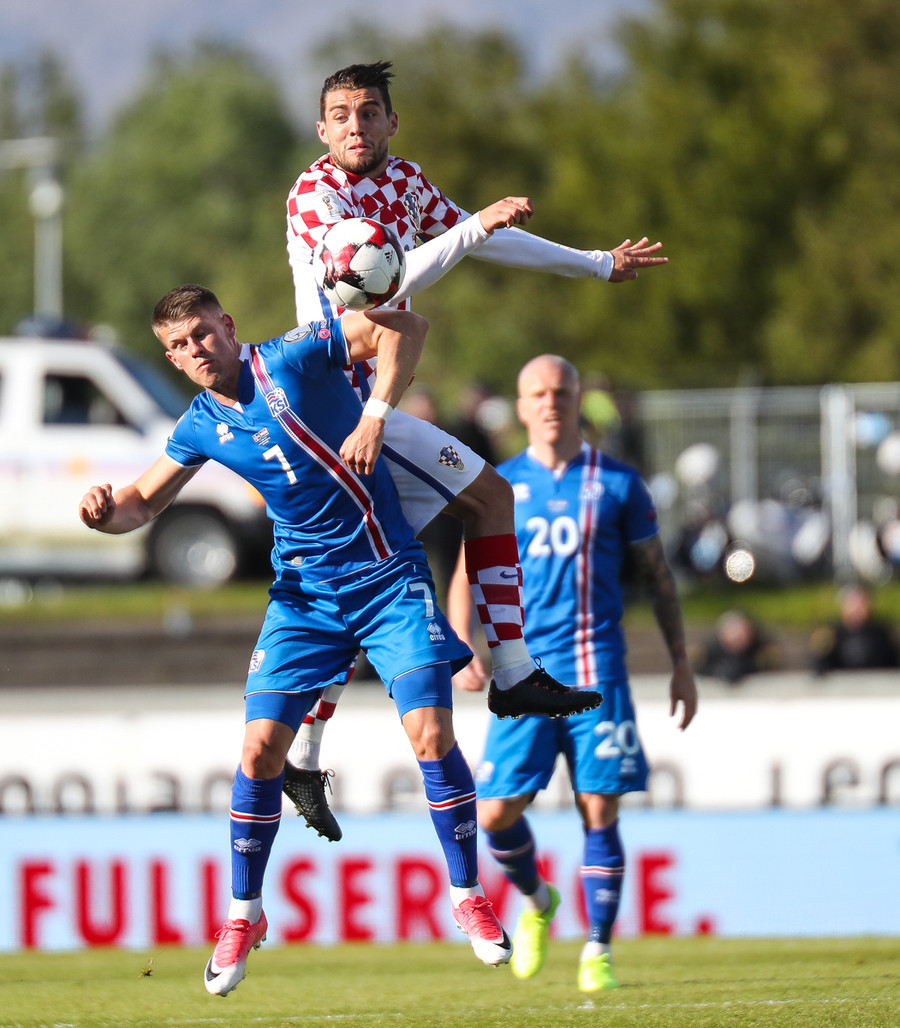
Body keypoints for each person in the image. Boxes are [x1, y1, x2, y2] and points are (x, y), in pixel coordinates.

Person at [78, 285, 514, 995]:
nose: (196, 349)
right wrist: (103, 513)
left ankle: (467, 896)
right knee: (258, 751)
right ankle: (244, 915)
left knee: (432, 734)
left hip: (387, 579)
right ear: (172, 359)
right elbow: (143, 502)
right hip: (303, 599)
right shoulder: (198, 425)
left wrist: (375, 414)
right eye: (179, 345)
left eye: (203, 332)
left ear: (228, 325)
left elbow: (406, 326)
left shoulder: (294, 355)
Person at [282, 60, 667, 836]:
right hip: (328, 410)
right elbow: (382, 283)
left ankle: (308, 753)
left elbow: (484, 242)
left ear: (392, 122)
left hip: (370, 407)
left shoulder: (405, 182)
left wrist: (595, 264)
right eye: (341, 115)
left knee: (403, 554)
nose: (356, 125)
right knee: (480, 502)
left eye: (369, 111)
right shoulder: (314, 196)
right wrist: (473, 228)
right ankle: (510, 675)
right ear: (322, 129)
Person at [446, 354, 698, 993]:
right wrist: (461, 644)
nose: (550, 402)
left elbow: (658, 576)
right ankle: (539, 900)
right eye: (538, 393)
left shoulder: (617, 483)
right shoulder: (499, 485)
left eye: (561, 391)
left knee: (599, 808)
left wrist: (681, 663)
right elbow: (466, 572)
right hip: (521, 673)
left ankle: (598, 949)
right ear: (521, 407)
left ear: (577, 400)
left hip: (597, 671)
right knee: (495, 814)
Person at [808, 584, 899, 675]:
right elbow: (820, 666)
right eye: (853, 604)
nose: (858, 609)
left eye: (862, 603)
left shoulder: (880, 634)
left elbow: (892, 665)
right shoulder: (832, 634)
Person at [690, 609, 782, 685]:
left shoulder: (762, 652)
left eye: (742, 633)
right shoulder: (708, 652)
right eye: (733, 631)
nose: (738, 637)